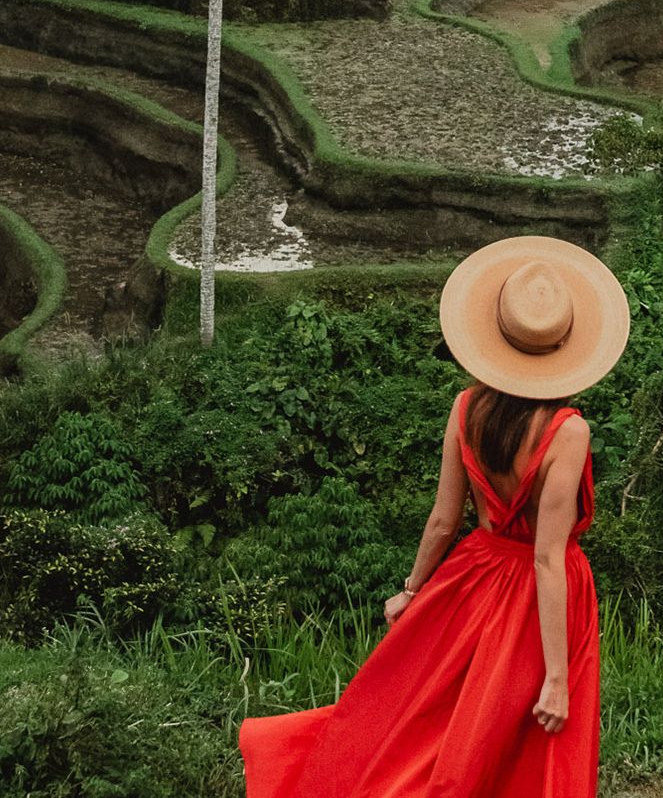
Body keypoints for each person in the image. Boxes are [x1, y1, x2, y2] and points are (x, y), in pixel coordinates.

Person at [239, 235, 631, 798]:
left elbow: (443, 522)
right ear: (565, 344)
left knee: (432, 727)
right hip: (536, 599)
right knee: (514, 741)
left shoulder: (467, 406)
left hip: (471, 580)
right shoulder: (568, 431)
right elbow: (546, 556)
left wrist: (413, 589)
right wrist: (556, 678)